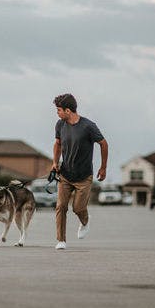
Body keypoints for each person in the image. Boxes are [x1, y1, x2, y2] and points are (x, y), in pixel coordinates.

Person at [52, 93, 108, 250]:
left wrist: (103, 167)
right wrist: (55, 163)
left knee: (78, 208)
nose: (57, 113)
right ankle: (61, 240)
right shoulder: (60, 125)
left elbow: (103, 144)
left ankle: (85, 220)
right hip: (65, 174)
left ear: (68, 110)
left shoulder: (88, 126)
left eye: (59, 110)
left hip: (84, 177)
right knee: (61, 206)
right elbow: (57, 144)